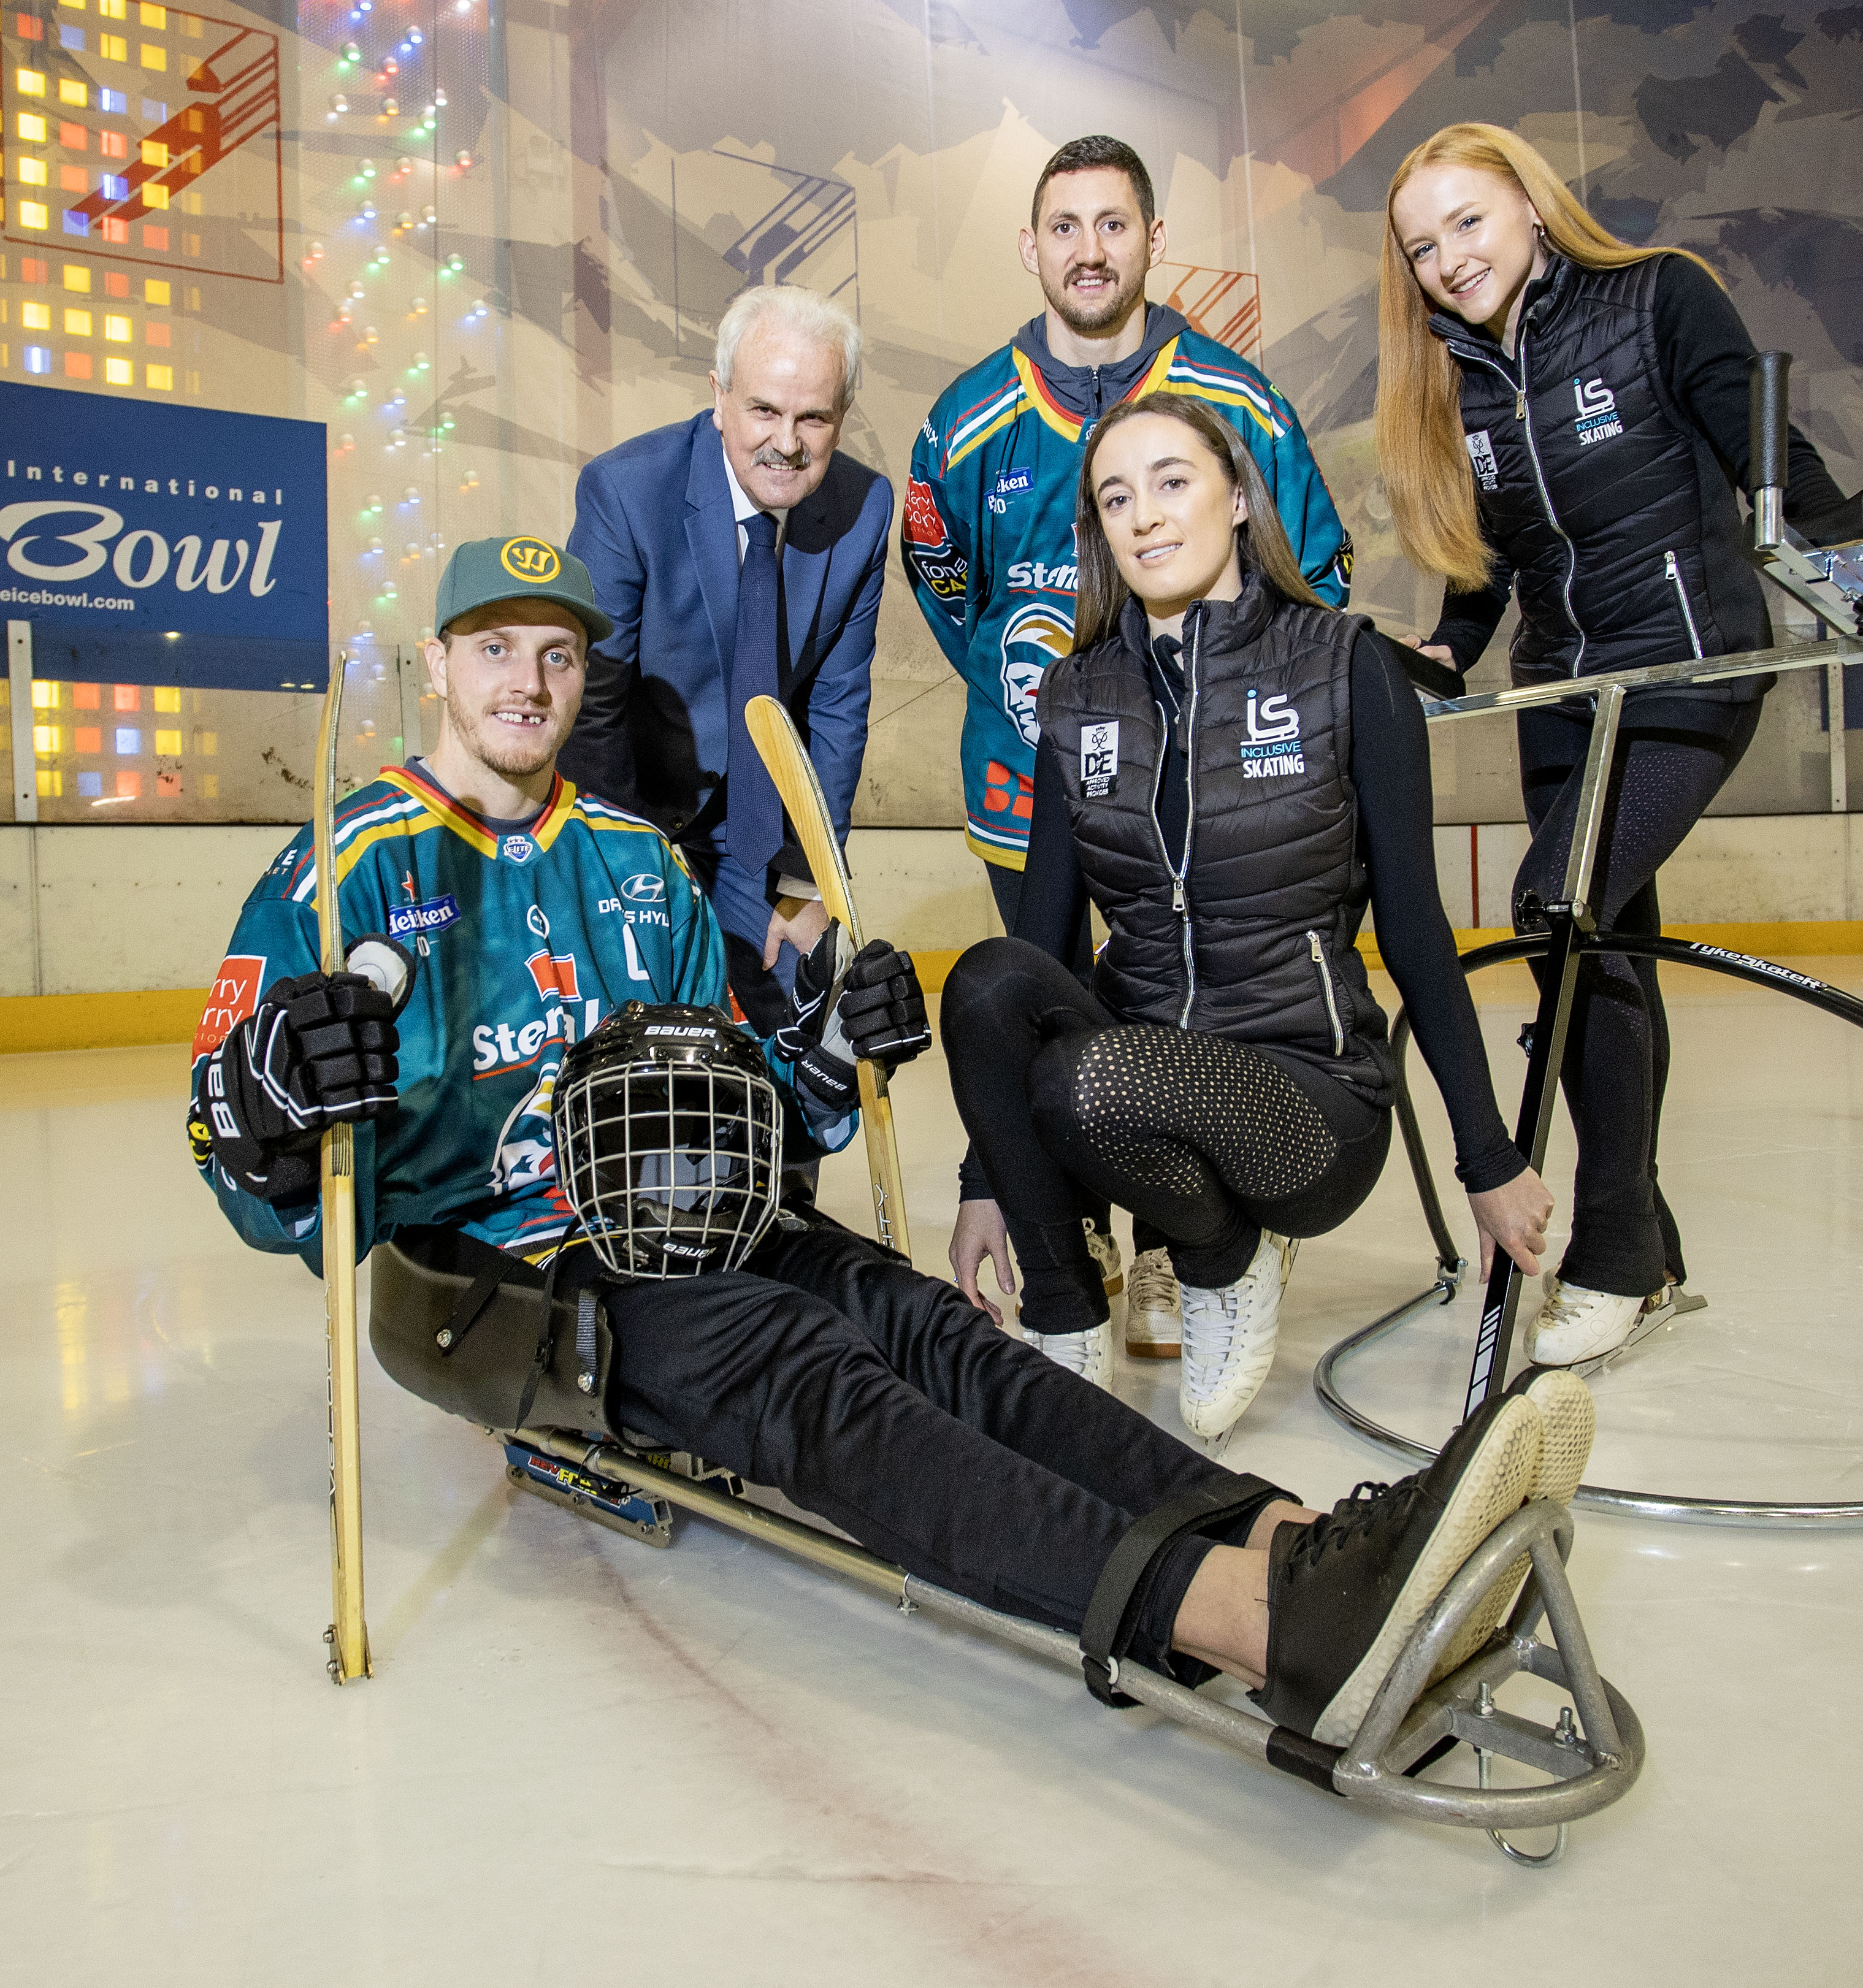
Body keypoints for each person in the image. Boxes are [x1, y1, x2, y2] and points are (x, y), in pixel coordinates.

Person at [188, 529, 1597, 1758]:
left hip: (693, 1215)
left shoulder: (630, 857)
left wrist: (819, 1047)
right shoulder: (351, 861)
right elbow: (235, 1152)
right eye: (494, 651)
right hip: (503, 1273)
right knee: (807, 1369)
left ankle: (1288, 1540)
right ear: (436, 665)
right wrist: (274, 1086)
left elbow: (739, 1102)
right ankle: (1235, 1620)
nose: (527, 684)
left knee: (930, 1327)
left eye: (555, 656)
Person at [1377, 123, 1863, 1368]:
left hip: (1687, 672)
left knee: (1561, 907)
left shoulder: (1656, 298)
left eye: (1467, 223)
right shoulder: (1453, 374)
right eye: (1421, 247)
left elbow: (1776, 471)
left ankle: (1608, 1254)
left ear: (1531, 209)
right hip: (1561, 700)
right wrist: (1443, 648)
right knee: (1601, 962)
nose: (1447, 260)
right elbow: (1497, 564)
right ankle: (1642, 1252)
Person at [939, 394, 1556, 1450]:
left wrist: (1486, 1157)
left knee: (1090, 1077)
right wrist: (983, 1175)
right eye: (1115, 497)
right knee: (987, 980)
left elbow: (1413, 928)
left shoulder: (1342, 665)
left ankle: (1225, 1262)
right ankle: (1065, 1315)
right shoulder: (1077, 697)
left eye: (1171, 482)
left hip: (1307, 1101)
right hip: (1137, 1082)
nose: (1144, 516)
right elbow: (1041, 944)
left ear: (1235, 496)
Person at [905, 132, 1352, 1362]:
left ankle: (1176, 1243)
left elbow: (1311, 567)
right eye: (1064, 226)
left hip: (1209, 790)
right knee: (1036, 998)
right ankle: (1079, 1241)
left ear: (1154, 239)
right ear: (1029, 246)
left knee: (1178, 1000)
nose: (1089, 249)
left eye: (1114, 224)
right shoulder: (964, 419)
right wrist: (1056, 717)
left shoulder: (1235, 399)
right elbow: (949, 588)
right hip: (1033, 781)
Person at [562, 285, 891, 1037]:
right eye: (764, 410)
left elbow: (836, 712)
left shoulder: (865, 507)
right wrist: (628, 877)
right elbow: (591, 708)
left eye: (814, 417)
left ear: (841, 416)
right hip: (625, 810)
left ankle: (783, 1162)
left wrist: (808, 882)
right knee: (642, 1030)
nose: (787, 441)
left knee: (801, 1012)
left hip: (757, 832)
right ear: (719, 399)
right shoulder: (627, 490)